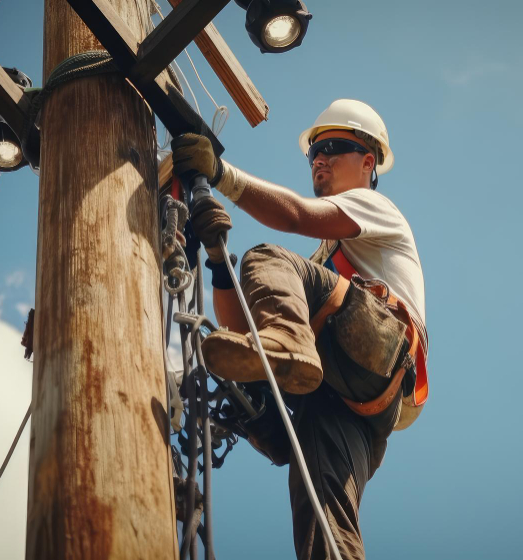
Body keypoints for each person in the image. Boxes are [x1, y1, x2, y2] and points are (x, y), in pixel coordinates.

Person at [172, 99, 428, 560]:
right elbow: (242, 326)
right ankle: (271, 397)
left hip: (378, 347)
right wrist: (216, 258)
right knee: (321, 520)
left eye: (333, 147)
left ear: (368, 162)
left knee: (266, 256)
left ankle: (291, 348)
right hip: (353, 403)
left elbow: (295, 216)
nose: (320, 159)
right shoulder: (318, 268)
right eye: (313, 153)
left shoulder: (376, 207)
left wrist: (222, 176)